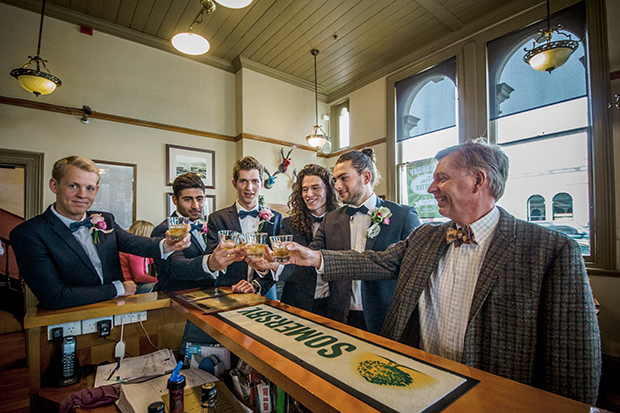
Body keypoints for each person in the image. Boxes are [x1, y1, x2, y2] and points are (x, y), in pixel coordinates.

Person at [286, 140, 601, 405]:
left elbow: (574, 364)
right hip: (421, 384)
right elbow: (379, 262)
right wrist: (315, 257)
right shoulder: (427, 236)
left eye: (442, 178)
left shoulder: (552, 250)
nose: (432, 188)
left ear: (478, 181)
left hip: (496, 398)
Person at [10, 156, 190, 310]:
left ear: (96, 190)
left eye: (89, 188)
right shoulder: (28, 234)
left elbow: (134, 242)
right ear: (54, 185)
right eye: (73, 186)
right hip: (67, 320)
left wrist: (167, 245)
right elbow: (54, 296)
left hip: (116, 313)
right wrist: (118, 289)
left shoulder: (106, 220)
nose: (82, 194)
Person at [310, 148, 420, 334]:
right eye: (335, 179)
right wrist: (274, 263)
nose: (337, 185)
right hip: (340, 317)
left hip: (386, 318)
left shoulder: (403, 216)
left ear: (366, 177)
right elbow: (311, 256)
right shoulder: (331, 219)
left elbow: (413, 273)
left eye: (344, 178)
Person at [205, 156, 282, 298]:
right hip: (228, 292)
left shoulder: (276, 218)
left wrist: (256, 285)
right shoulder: (217, 219)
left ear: (262, 184)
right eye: (243, 181)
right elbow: (211, 263)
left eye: (254, 181)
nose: (249, 188)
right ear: (234, 183)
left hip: (264, 291)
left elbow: (278, 263)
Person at [279, 164, 340, 315]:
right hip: (296, 301)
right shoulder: (288, 224)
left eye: (315, 188)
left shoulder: (343, 223)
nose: (309, 194)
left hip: (333, 303)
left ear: (328, 189)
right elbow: (284, 266)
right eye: (305, 189)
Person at [120, 220, 157, 293]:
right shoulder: (134, 251)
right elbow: (139, 277)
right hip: (131, 287)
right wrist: (158, 280)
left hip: (131, 284)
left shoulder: (137, 248)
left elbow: (151, 259)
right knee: (158, 286)